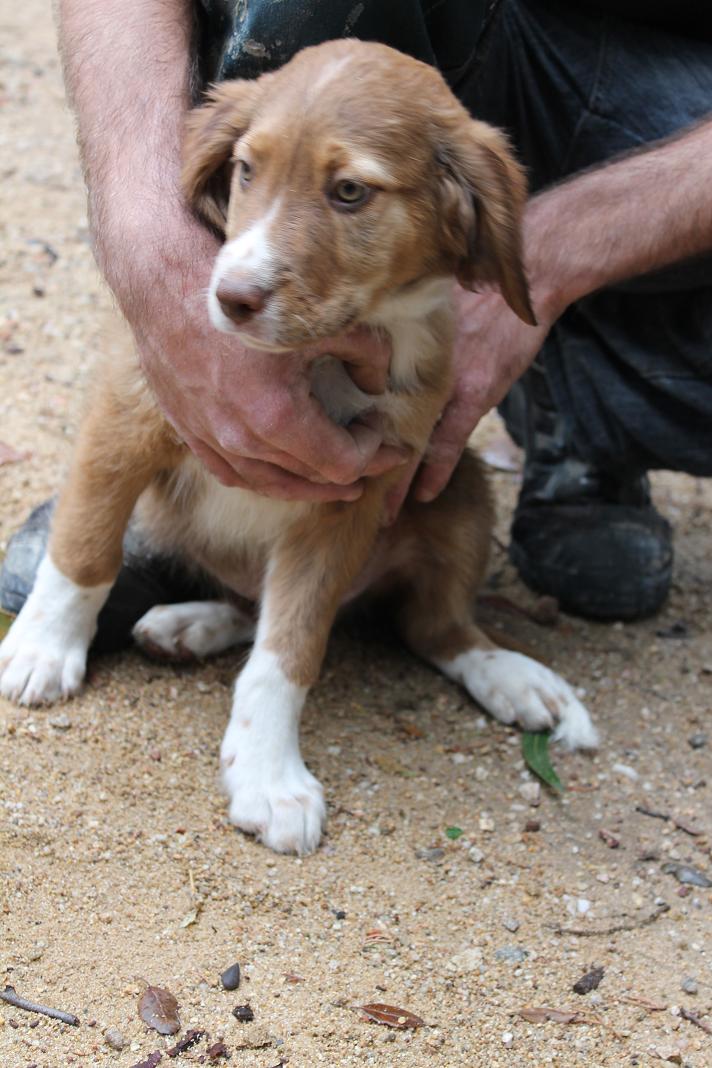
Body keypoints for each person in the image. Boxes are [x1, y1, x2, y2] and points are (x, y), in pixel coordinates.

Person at [1, 0, 711, 641]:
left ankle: (578, 410)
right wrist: (158, 259)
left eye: (346, 190)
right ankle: (190, 462)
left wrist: (547, 260)